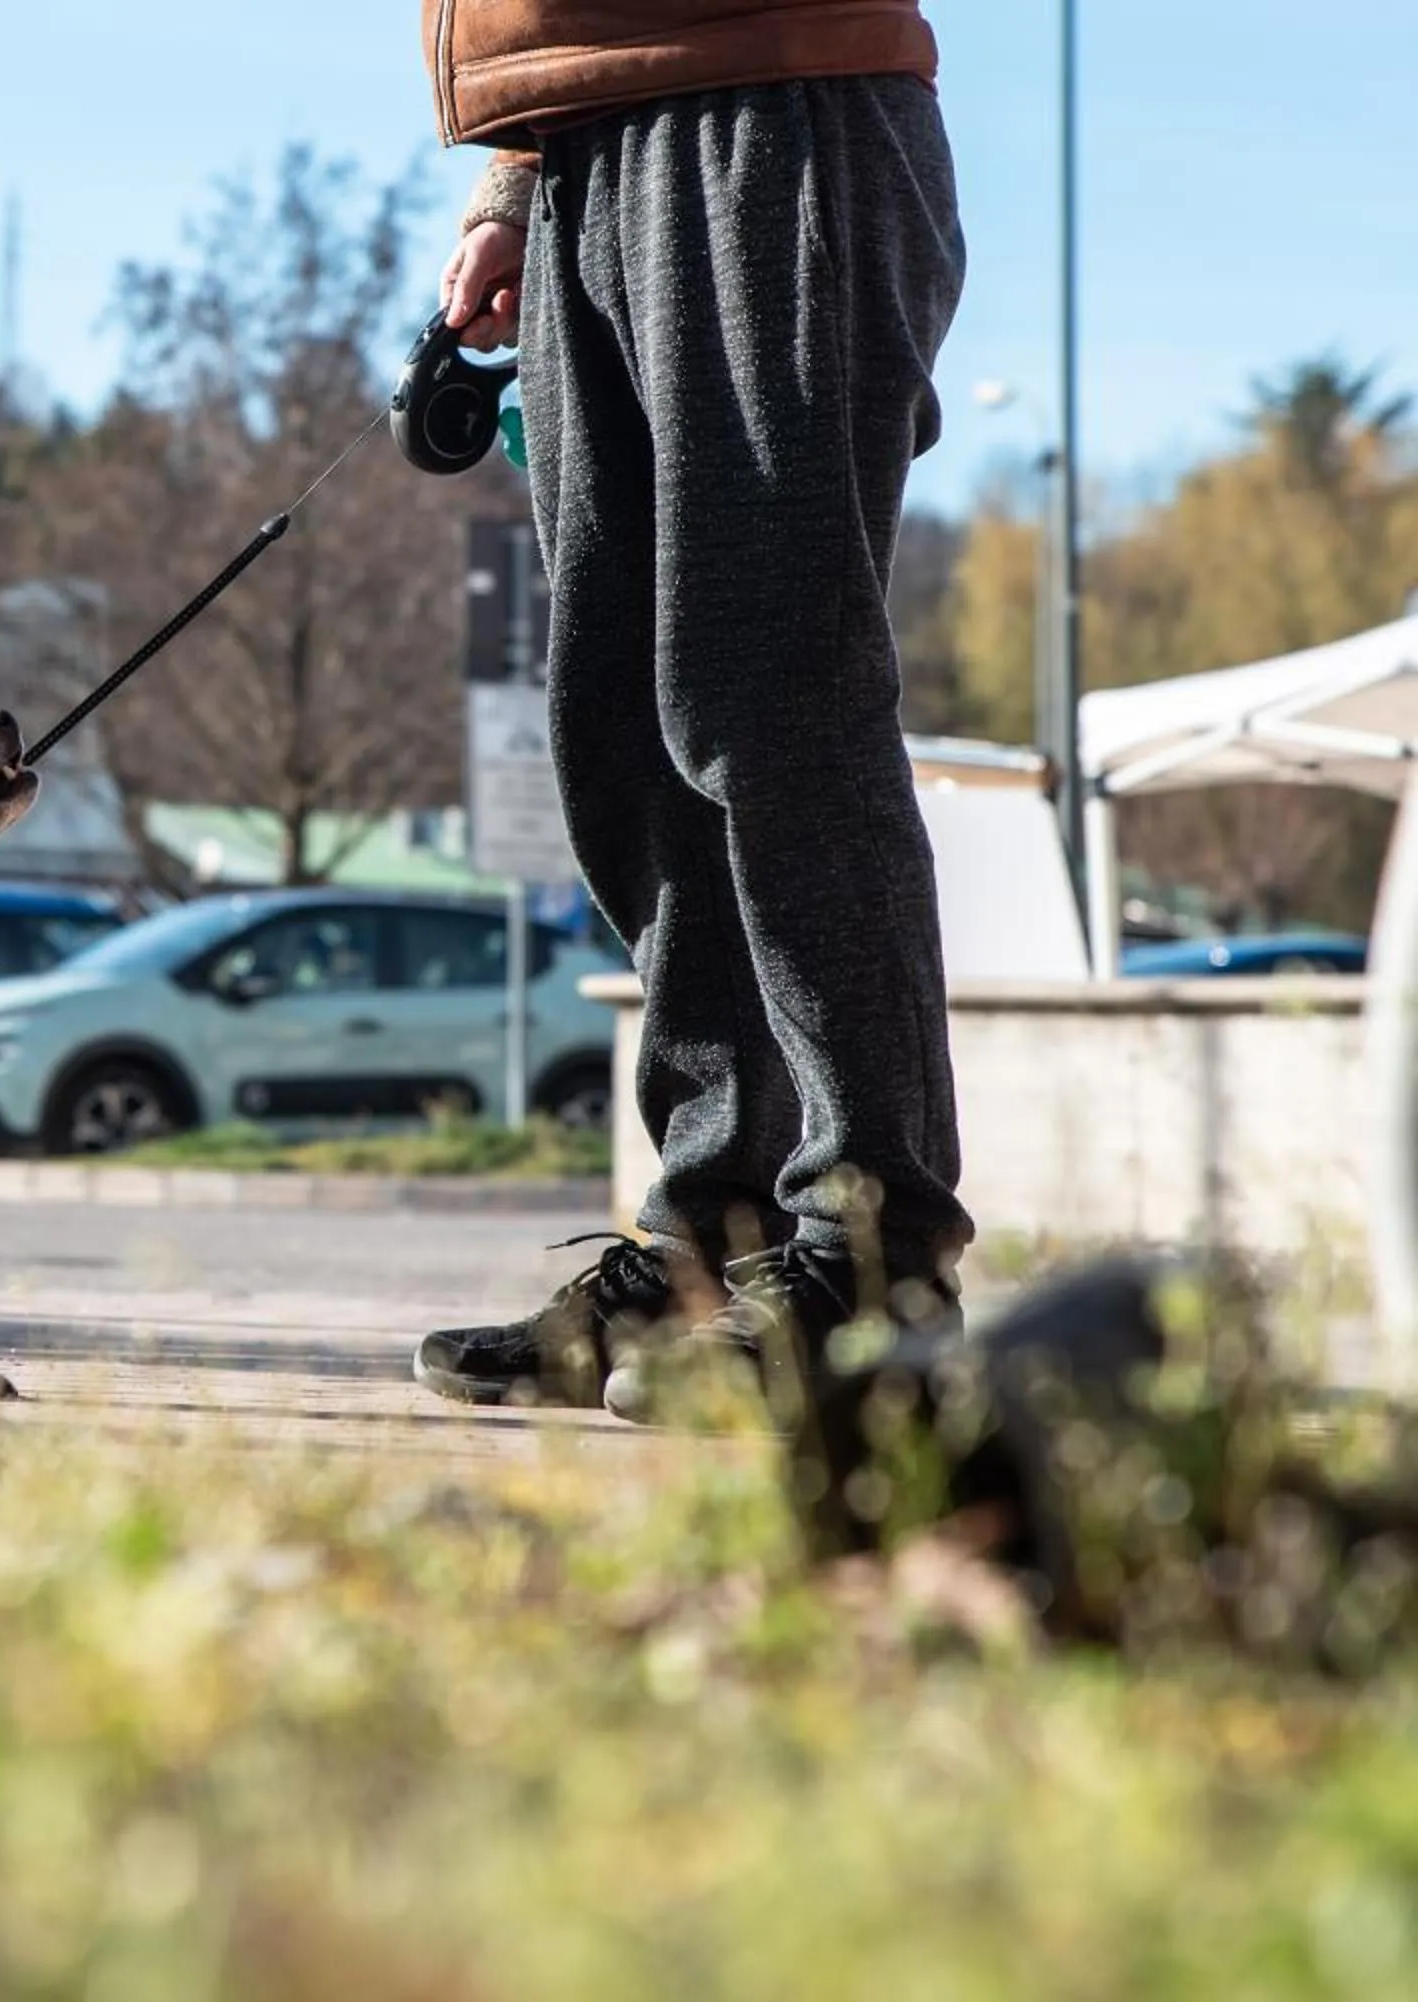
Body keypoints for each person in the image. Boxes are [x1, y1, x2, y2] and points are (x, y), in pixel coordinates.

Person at [410, 0, 974, 1425]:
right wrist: (516, 176)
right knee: (624, 732)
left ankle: (873, 1261)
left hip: (775, 100)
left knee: (774, 701)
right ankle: (705, 1250)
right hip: (585, 137)